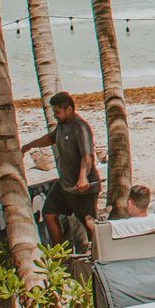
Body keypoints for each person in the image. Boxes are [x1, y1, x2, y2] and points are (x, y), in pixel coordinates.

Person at [27, 90, 101, 244]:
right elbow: (50, 138)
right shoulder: (61, 126)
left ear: (69, 109)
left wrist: (83, 177)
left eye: (57, 112)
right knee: (48, 213)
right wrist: (30, 145)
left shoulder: (80, 127)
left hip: (83, 187)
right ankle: (59, 252)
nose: (55, 115)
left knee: (90, 224)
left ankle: (102, 251)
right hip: (64, 185)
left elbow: (87, 156)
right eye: (53, 112)